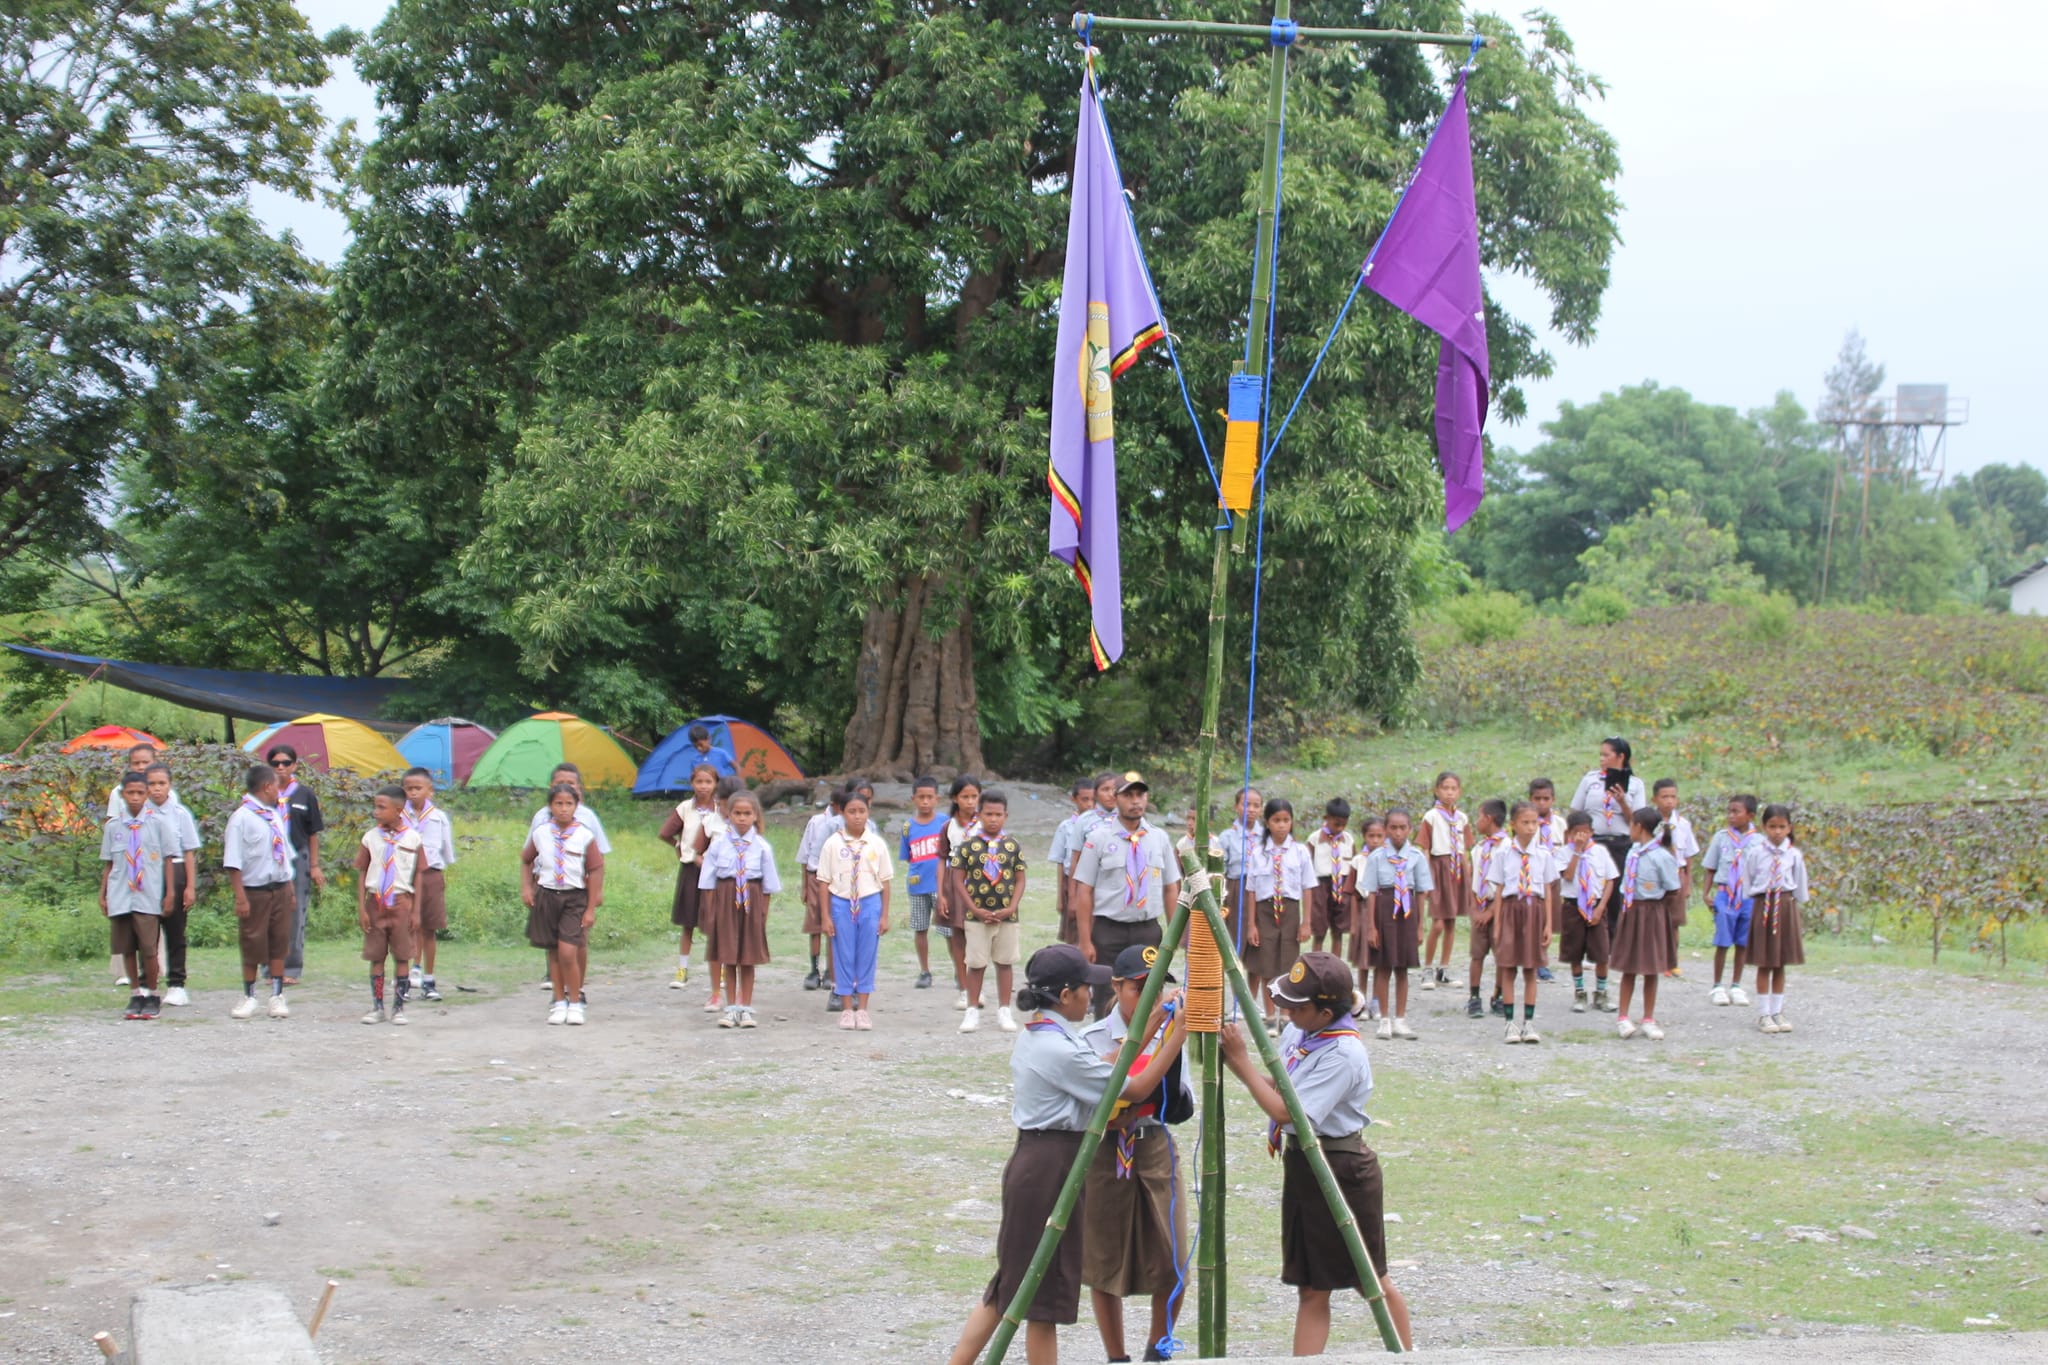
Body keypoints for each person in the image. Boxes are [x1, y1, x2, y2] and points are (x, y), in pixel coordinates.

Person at [943, 945, 1190, 1365]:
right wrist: (1178, 1033)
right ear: (1065, 995)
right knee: (1042, 1296)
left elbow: (1107, 1063)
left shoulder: (1045, 1034)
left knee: (1014, 1283)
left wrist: (1151, 1027)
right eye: (1085, 989)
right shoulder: (1057, 1048)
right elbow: (1131, 1087)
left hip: (1042, 1160)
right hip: (1049, 1166)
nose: (1091, 997)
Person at [1216, 953, 1413, 1355]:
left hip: (1341, 1168)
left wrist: (1240, 1064)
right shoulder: (1301, 1031)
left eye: (1296, 1005)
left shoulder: (1343, 1053)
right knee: (1311, 1287)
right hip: (1306, 1166)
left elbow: (1289, 1113)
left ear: (1326, 1012)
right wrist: (1246, 1065)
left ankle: (1407, 1356)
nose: (1285, 1010)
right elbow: (1284, 1081)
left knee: (1369, 1279)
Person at [1080, 944, 1193, 1365]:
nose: (1149, 998)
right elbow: (1095, 1098)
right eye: (1138, 988)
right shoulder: (1090, 1039)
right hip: (1105, 1152)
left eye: (1156, 988)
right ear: (1117, 986)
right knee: (1104, 1259)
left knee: (1175, 1256)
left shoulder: (1173, 1030)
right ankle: (1116, 1357)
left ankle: (1156, 1349)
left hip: (1154, 1145)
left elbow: (1183, 1101)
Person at [1072, 774, 1181, 1020]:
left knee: (1150, 992)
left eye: (1140, 795)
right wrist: (1085, 940)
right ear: (1115, 797)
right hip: (1108, 930)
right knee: (1106, 993)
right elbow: (1084, 890)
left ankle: (1148, 1048)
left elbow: (1171, 887)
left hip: (1147, 929)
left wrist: (1174, 934)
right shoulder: (1098, 838)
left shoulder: (1159, 838)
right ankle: (1107, 1048)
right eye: (1128, 795)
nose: (1135, 801)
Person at [522, 782, 605, 1026]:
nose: (563, 809)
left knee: (569, 951)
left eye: (568, 804)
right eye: (558, 803)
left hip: (574, 898)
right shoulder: (541, 833)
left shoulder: (584, 836)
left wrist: (591, 907)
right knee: (554, 952)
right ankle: (558, 1001)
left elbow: (596, 869)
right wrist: (527, 887)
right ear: (550, 806)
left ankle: (576, 1001)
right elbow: (526, 860)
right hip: (547, 895)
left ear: (576, 806)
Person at [697, 788, 780, 1029]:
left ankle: (745, 1008)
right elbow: (708, 881)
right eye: (737, 813)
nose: (742, 818)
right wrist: (711, 912)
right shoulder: (719, 845)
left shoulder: (762, 847)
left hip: (751, 900)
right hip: (725, 899)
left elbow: (768, 885)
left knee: (747, 958)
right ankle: (731, 1007)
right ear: (728, 815)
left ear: (755, 816)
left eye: (747, 813)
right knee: (729, 956)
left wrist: (762, 914)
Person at [100, 772, 180, 1020]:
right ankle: (135, 993)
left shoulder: (157, 823)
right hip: (120, 894)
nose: (135, 797)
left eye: (140, 792)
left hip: (148, 895)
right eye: (130, 793)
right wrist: (102, 894)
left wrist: (170, 894)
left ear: (146, 794)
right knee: (126, 948)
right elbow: (108, 864)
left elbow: (168, 860)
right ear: (122, 795)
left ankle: (153, 993)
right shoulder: (113, 827)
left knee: (148, 948)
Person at [529, 762, 613, 995]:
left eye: (571, 784)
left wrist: (597, 893)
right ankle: (557, 986)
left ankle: (578, 988)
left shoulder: (588, 818)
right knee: (552, 939)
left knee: (579, 939)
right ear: (550, 788)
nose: (565, 787)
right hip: (546, 884)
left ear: (579, 790)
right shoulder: (541, 818)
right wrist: (529, 887)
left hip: (579, 887)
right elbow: (529, 854)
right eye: (559, 784)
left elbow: (599, 860)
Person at [1482, 801, 1561, 1045]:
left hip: (1534, 910)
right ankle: (1509, 1023)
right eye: (1525, 822)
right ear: (1513, 825)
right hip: (1510, 911)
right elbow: (1499, 889)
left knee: (1530, 968)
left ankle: (1528, 1023)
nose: (1530, 827)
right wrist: (1496, 924)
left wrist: (1548, 924)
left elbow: (1547, 891)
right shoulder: (1503, 854)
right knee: (1507, 967)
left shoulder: (1543, 854)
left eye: (1534, 822)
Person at [223, 763, 297, 1020]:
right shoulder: (241, 818)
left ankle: (276, 996)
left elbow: (284, 855)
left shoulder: (273, 815)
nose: (279, 789)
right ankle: (249, 995)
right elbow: (233, 862)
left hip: (279, 889)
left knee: (279, 942)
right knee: (252, 942)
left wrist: (289, 887)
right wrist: (240, 897)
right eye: (277, 785)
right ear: (267, 787)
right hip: (254, 891)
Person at [952, 787, 1026, 1034]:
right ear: (979, 815)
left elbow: (1020, 879)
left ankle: (1004, 1010)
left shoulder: (1012, 846)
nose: (993, 819)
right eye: (988, 814)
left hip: (1007, 917)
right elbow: (957, 879)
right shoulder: (968, 846)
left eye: (998, 814)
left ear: (1006, 816)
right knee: (976, 963)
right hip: (976, 917)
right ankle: (972, 1010)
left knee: (1005, 962)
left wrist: (1012, 907)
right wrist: (973, 908)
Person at [819, 789, 893, 1031]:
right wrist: (825, 916)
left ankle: (862, 1009)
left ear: (868, 812)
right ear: (842, 812)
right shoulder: (832, 844)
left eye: (862, 811)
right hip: (841, 903)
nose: (857, 816)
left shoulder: (876, 843)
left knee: (867, 954)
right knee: (843, 954)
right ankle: (846, 1009)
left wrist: (884, 916)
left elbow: (886, 881)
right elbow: (823, 881)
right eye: (852, 811)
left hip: (870, 902)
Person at [1354, 809, 1429, 1041]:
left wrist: (1419, 926)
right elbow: (1372, 894)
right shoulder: (1377, 857)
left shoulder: (1416, 856)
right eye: (1393, 828)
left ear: (1410, 829)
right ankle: (1384, 1019)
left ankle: (1400, 1019)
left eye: (1402, 828)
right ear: (1386, 830)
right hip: (1385, 910)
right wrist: (1372, 927)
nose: (1398, 833)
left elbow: (1422, 892)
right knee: (1384, 967)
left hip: (1407, 912)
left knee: (1403, 968)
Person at [356, 786, 425, 1026]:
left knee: (403, 956)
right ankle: (377, 1007)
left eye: (381, 807)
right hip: (375, 903)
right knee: (376, 956)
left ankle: (398, 1008)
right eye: (375, 806)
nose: (376, 812)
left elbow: (418, 875)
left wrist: (416, 910)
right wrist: (361, 908)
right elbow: (363, 871)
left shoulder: (413, 838)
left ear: (398, 810)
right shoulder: (370, 837)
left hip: (401, 903)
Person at [1611, 806, 1680, 1040]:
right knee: (1629, 967)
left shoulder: (1661, 856)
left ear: (1639, 827)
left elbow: (1672, 888)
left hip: (1652, 913)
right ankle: (1623, 1017)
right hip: (1631, 911)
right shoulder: (1633, 852)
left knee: (1651, 968)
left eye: (1631, 825)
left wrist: (1658, 913)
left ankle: (1648, 1019)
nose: (1629, 829)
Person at [1245, 796, 1314, 1027]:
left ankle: (1285, 1014)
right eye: (1276, 820)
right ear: (1267, 822)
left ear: (1292, 822)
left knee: (1287, 962)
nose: (1282, 825)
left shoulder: (1300, 852)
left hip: (1290, 910)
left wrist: (1306, 922)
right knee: (1266, 964)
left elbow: (1307, 887)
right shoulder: (1258, 853)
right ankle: (1270, 1014)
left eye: (1286, 820)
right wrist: (1251, 925)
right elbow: (1252, 890)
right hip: (1265, 911)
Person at [1740, 804, 1808, 1034]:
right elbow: (1747, 880)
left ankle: (1778, 1011)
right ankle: (1764, 1013)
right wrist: (1757, 899)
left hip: (1786, 907)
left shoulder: (1793, 854)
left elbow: (1800, 884)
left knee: (1780, 962)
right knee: (1764, 961)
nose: (1777, 832)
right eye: (1772, 827)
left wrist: (1793, 904)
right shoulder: (1756, 853)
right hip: (1763, 906)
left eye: (1782, 827)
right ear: (1764, 827)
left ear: (1789, 828)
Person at [265, 744, 327, 988]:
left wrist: (314, 865)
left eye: (286, 763)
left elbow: (313, 833)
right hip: (268, 858)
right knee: (269, 913)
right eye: (276, 763)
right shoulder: (263, 794)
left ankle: (290, 967)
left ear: (295, 765)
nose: (281, 767)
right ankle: (270, 968)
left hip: (296, 858)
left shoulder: (304, 794)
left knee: (294, 913)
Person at [105, 742, 165, 988]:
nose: (141, 767)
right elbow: (110, 848)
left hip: (150, 878)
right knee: (124, 937)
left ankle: (153, 980)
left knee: (151, 939)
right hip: (123, 877)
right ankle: (129, 981)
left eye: (145, 762)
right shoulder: (117, 796)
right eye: (136, 763)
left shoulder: (160, 791)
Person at [658, 763, 721, 989]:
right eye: (699, 782)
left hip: (715, 872)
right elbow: (665, 833)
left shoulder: (721, 809)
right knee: (688, 922)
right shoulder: (686, 808)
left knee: (716, 921)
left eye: (708, 782)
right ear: (692, 784)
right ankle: (682, 969)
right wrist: (678, 845)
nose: (703, 786)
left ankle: (720, 970)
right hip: (690, 870)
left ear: (715, 785)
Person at [142, 763, 201, 1008]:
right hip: (147, 872)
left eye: (161, 784)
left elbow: (189, 852)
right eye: (152, 784)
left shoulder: (179, 813)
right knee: (146, 933)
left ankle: (177, 984)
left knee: (175, 932)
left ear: (170, 785)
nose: (156, 789)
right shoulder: (138, 813)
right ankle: (146, 984)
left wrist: (190, 886)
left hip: (175, 871)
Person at [400, 768, 456, 1001]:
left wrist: (440, 872)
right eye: (409, 789)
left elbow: (446, 851)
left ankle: (429, 978)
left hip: (431, 874)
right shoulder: (399, 816)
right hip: (404, 875)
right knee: (405, 926)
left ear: (429, 791)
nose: (413, 793)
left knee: (429, 927)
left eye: (418, 788)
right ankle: (406, 976)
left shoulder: (438, 818)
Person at [1699, 795, 1760, 1008]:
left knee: (1742, 942)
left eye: (1736, 812)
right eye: (1729, 811)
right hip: (1725, 894)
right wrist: (1706, 894)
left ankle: (1736, 985)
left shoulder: (1759, 842)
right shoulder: (1721, 838)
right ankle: (1717, 985)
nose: (1731, 816)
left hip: (1748, 896)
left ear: (1750, 815)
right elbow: (1710, 867)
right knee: (1723, 940)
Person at [1559, 811, 1619, 1013]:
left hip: (1595, 906)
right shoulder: (1563, 853)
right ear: (1569, 833)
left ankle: (1601, 994)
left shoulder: (1600, 851)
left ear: (1592, 832)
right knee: (1575, 952)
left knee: (1602, 952)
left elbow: (1610, 880)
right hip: (1573, 907)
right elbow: (1567, 876)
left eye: (1585, 832)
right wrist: (1576, 851)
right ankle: (1580, 992)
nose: (1581, 837)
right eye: (1577, 833)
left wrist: (1601, 908)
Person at [692, 775, 742, 1013]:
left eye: (728, 804)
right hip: (716, 888)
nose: (724, 809)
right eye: (721, 804)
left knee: (742, 942)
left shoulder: (747, 823)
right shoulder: (712, 822)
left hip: (743, 890)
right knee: (716, 941)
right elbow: (697, 852)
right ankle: (715, 993)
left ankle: (741, 993)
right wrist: (709, 863)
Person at [1418, 773, 1471, 990]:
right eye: (1445, 788)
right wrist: (1426, 879)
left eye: (1453, 788)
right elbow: (1426, 849)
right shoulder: (1431, 817)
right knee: (1438, 923)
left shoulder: (1462, 818)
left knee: (1451, 922)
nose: (1449, 792)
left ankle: (1444, 969)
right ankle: (1427, 969)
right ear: (1437, 790)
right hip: (1438, 870)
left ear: (1459, 791)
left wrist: (1469, 877)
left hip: (1456, 870)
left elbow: (1465, 849)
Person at [938, 776, 984, 1011]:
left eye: (974, 796)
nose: (970, 801)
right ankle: (964, 988)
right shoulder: (948, 826)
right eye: (965, 797)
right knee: (958, 938)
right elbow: (941, 861)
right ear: (955, 799)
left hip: (981, 886)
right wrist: (941, 894)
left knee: (980, 938)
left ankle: (979, 988)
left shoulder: (985, 824)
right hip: (953, 886)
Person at [1569, 737, 1646, 878]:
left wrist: (1623, 802)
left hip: (1621, 844)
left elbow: (1637, 822)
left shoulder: (1635, 784)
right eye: (1600, 755)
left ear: (1621, 756)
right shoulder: (1590, 779)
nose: (1601, 759)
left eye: (1606, 755)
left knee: (1618, 889)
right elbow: (1576, 813)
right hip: (1593, 842)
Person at [795, 788, 844, 998]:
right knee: (815, 925)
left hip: (838, 879)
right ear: (833, 805)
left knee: (833, 926)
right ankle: (813, 969)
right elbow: (805, 854)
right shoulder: (816, 822)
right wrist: (805, 886)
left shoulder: (847, 824)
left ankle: (830, 971)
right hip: (816, 877)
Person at [900, 777, 948, 988]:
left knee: (949, 931)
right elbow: (909, 856)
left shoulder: (945, 823)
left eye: (930, 797)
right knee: (920, 929)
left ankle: (960, 971)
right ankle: (925, 971)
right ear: (913, 799)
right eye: (921, 797)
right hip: (918, 885)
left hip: (942, 887)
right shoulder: (908, 827)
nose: (925, 801)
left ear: (937, 798)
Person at [1651, 778, 1700, 979]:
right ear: (1655, 799)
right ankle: (1656, 960)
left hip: (1676, 874)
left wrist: (1687, 884)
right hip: (1654, 876)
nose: (1669, 801)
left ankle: (1673, 961)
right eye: (1664, 797)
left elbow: (1688, 856)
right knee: (1654, 919)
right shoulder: (1649, 823)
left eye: (1673, 797)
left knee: (1674, 921)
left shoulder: (1683, 825)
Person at [1467, 799, 1509, 1019]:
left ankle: (1498, 995)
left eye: (1479, 816)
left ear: (1489, 818)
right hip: (1480, 907)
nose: (1477, 821)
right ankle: (1474, 996)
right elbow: (1473, 878)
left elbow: (1506, 883)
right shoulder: (1478, 849)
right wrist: (1475, 909)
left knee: (1501, 955)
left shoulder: (1508, 848)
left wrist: (1491, 911)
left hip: (1499, 909)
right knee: (1477, 954)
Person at [1306, 798, 1356, 962]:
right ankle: (1315, 964)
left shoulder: (1348, 840)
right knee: (1319, 929)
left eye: (1343, 824)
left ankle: (1335, 965)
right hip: (1321, 885)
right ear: (1326, 818)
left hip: (1343, 884)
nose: (1340, 828)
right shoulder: (1314, 839)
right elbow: (1306, 865)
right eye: (1336, 824)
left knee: (1339, 929)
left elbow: (1354, 863)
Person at [1047, 779, 1096, 947]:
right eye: (1085, 799)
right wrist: (1061, 898)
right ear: (1074, 799)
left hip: (1097, 885)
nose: (1090, 804)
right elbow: (1061, 863)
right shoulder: (1066, 827)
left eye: (1093, 800)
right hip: (1072, 884)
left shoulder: (1102, 827)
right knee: (1074, 933)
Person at [1350, 816, 1387, 1021]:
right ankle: (1361, 1002)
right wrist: (1355, 922)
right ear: (1364, 837)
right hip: (1365, 911)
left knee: (1381, 961)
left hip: (1384, 910)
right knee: (1364, 961)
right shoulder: (1358, 860)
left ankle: (1377, 1002)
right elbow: (1354, 894)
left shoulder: (1389, 859)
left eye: (1379, 836)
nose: (1375, 840)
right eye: (1371, 836)